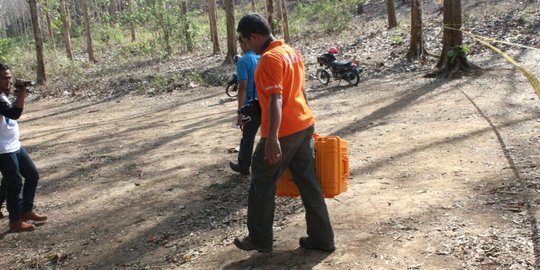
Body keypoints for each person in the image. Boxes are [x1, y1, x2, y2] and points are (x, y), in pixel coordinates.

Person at [233, 13, 335, 253]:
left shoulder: (269, 59)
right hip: (303, 124)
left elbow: (277, 99)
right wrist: (308, 121)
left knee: (261, 181)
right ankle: (322, 238)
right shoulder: (291, 52)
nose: (246, 46)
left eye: (246, 41)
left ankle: (259, 238)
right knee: (309, 183)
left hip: (283, 131)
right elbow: (300, 90)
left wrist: (272, 139)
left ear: (255, 36)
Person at [0, 63, 47, 232]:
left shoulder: (3, 94)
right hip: (3, 150)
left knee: (32, 175)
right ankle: (15, 221)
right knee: (14, 183)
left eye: (10, 77)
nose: (9, 81)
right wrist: (22, 94)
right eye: (4, 78)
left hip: (14, 145)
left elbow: (9, 108)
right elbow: (14, 113)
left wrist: (19, 91)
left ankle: (26, 210)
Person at [229, 36, 261, 176]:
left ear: (246, 42)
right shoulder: (261, 57)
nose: (241, 46)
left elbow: (242, 87)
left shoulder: (243, 61)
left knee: (248, 137)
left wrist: (240, 111)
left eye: (241, 43)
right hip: (266, 103)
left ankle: (244, 166)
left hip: (250, 106)